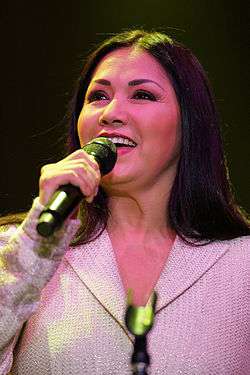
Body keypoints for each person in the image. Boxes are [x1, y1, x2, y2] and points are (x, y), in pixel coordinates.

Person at [0, 29, 249, 375]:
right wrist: (35, 247)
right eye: (98, 96)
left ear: (190, 122)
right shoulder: (17, 251)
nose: (112, 113)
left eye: (143, 95)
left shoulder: (241, 266)